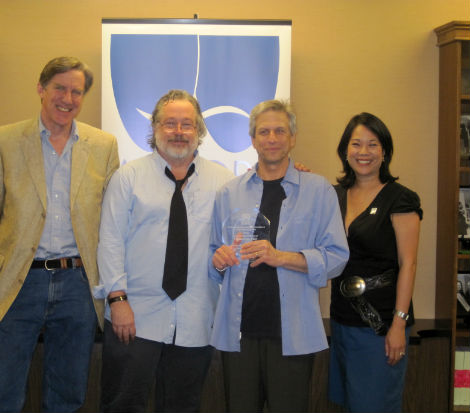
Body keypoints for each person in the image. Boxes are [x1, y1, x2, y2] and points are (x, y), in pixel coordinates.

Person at [0, 56, 119, 412]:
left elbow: (112, 220)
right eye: (60, 88)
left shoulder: (104, 146)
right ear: (41, 89)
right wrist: (11, 261)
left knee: (67, 394)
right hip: (20, 283)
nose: (67, 98)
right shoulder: (4, 140)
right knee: (0, 392)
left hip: (77, 286)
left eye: (77, 91)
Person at [94, 89, 234, 412]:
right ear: (154, 127)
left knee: (182, 407)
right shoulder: (128, 178)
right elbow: (110, 240)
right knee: (122, 405)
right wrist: (117, 301)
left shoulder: (223, 182)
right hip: (134, 317)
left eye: (187, 124)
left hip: (196, 320)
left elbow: (231, 242)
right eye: (170, 123)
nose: (179, 131)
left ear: (199, 130)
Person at [209, 99, 349, 413]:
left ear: (293, 138)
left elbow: (337, 257)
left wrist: (281, 257)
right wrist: (217, 259)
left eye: (280, 131)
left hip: (293, 335)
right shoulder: (229, 193)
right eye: (264, 132)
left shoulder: (319, 191)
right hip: (239, 334)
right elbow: (212, 256)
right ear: (253, 139)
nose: (272, 138)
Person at [328, 112, 422, 413]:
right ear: (345, 150)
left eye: (373, 144)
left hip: (379, 325)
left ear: (385, 152)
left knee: (375, 404)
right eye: (356, 144)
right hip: (342, 320)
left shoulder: (400, 198)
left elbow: (408, 264)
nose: (364, 152)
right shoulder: (334, 195)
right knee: (348, 403)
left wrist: (399, 323)